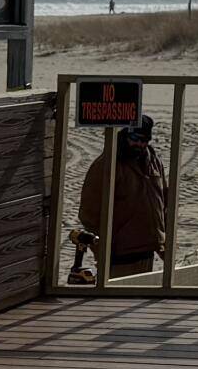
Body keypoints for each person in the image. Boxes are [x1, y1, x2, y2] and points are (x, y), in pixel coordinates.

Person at [69, 115, 167, 282]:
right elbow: (89, 212)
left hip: (147, 250)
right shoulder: (107, 164)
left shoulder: (153, 161)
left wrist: (163, 241)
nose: (140, 144)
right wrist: (103, 247)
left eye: (145, 140)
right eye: (135, 139)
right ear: (125, 135)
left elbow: (163, 200)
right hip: (118, 254)